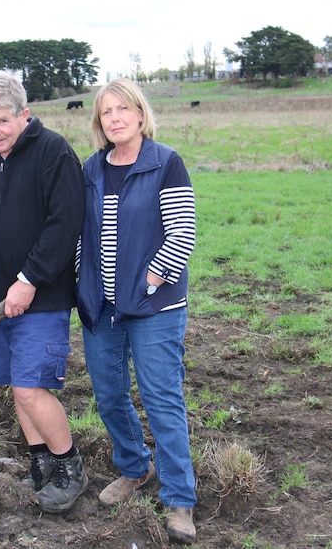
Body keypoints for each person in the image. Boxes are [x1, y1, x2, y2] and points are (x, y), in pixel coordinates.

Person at [0, 71, 87, 514]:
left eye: (2, 122)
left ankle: (70, 467)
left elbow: (64, 225)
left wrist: (28, 280)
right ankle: (40, 464)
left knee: (31, 388)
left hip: (41, 297)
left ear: (24, 115)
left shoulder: (53, 153)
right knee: (15, 385)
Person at [75, 78, 198, 544]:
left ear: (141, 115)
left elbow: (181, 233)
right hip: (101, 307)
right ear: (99, 122)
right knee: (109, 395)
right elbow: (81, 234)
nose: (116, 118)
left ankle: (179, 500)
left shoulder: (165, 162)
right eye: (107, 112)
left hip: (154, 306)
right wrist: (83, 283)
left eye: (123, 109)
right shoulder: (91, 169)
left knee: (162, 398)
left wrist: (147, 283)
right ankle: (134, 468)